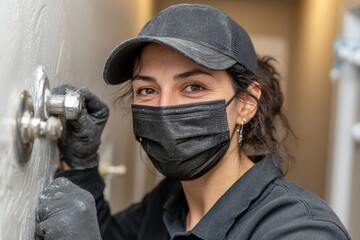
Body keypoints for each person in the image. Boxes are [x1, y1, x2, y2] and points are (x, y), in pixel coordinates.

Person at [35, 3, 351, 240]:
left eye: (194, 87)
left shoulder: (298, 229)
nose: (165, 107)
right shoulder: (165, 204)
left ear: (246, 103)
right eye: (147, 89)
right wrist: (83, 165)